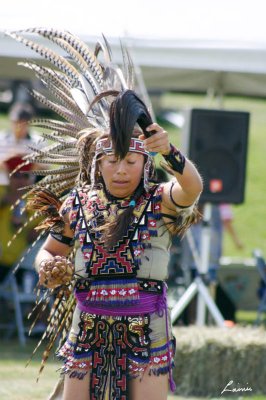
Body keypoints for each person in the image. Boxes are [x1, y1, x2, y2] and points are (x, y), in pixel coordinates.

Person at [7, 29, 202, 400]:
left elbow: (191, 189)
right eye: (112, 161)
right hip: (87, 328)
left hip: (146, 331)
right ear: (98, 165)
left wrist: (171, 153)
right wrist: (48, 267)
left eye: (131, 161)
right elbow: (50, 250)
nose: (121, 170)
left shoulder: (158, 201)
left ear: (145, 164)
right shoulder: (78, 204)